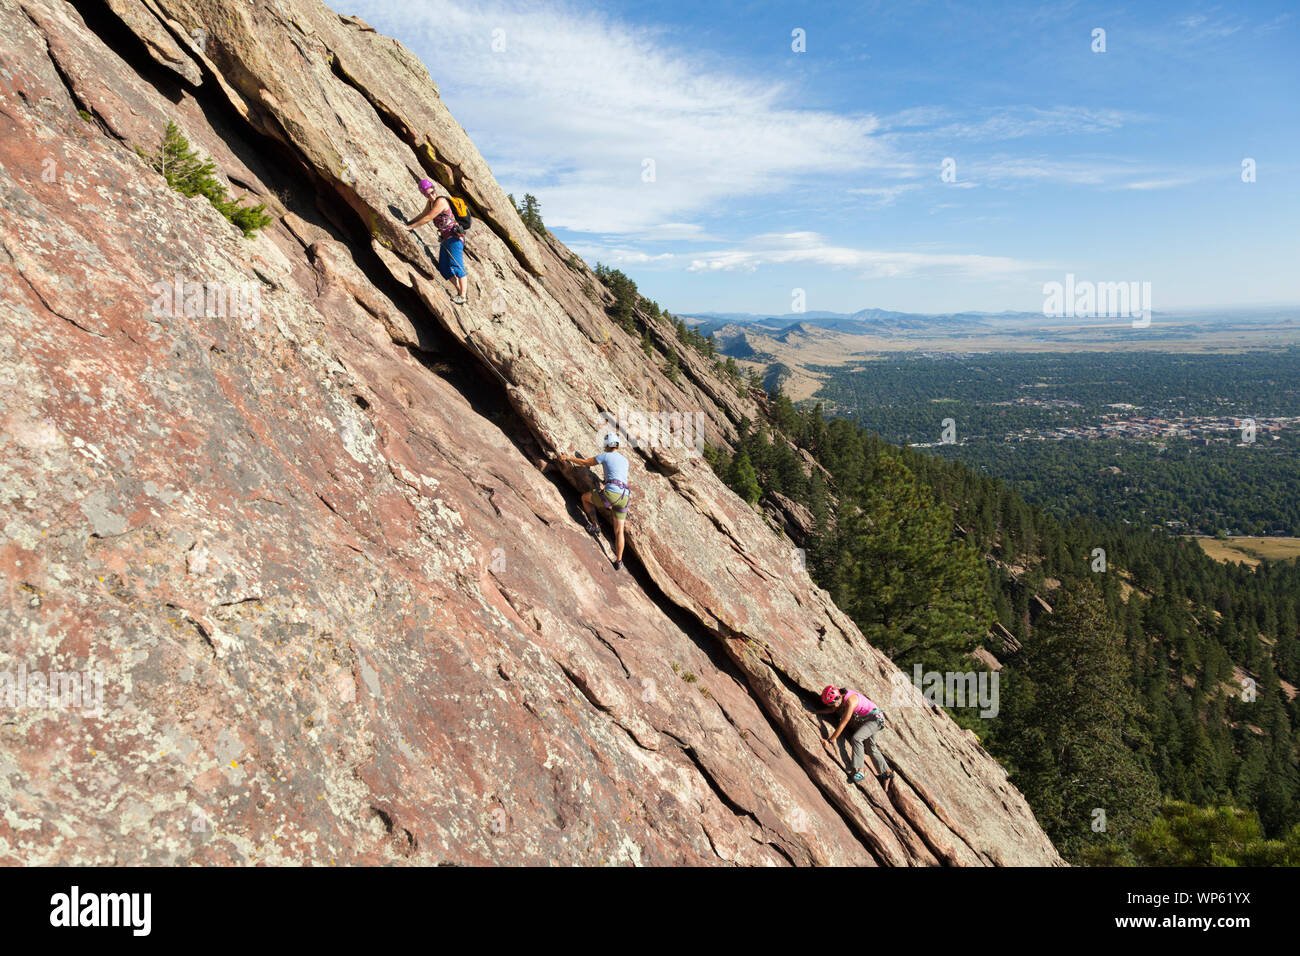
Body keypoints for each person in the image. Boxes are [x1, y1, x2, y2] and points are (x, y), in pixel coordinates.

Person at [558, 433, 630, 570]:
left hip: (612, 493)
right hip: (624, 495)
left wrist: (568, 457)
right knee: (619, 530)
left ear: (607, 445)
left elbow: (586, 463)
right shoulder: (625, 460)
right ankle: (619, 561)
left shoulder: (606, 455)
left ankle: (596, 525)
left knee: (585, 498)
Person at [403, 178, 468, 304]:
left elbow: (428, 218)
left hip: (455, 237)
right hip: (445, 238)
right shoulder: (430, 203)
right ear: (423, 194)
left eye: (432, 192)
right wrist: (409, 222)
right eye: (427, 194)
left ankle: (463, 296)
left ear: (434, 189)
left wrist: (409, 227)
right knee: (444, 268)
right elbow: (423, 215)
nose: (431, 195)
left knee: (457, 266)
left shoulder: (441, 201)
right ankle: (459, 291)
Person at [818, 684, 894, 786]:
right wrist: (817, 711)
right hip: (874, 718)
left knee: (857, 738)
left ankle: (859, 770)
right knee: (871, 747)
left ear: (837, 698)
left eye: (831, 704)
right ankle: (887, 773)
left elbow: (844, 722)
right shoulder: (842, 696)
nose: (831, 706)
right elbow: (833, 709)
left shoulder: (850, 702)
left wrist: (830, 740)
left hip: (875, 719)